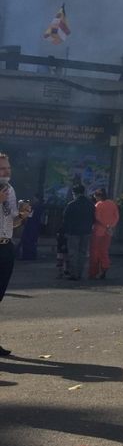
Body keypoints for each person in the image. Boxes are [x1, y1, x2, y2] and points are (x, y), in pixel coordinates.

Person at [0, 152, 33, 356]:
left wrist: (22, 215)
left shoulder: (9, 190)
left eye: (8, 169)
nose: (6, 172)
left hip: (5, 246)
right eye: (2, 169)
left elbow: (12, 221)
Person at [62, 184, 94, 281]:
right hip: (86, 231)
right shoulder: (90, 204)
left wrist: (65, 231)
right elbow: (93, 218)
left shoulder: (71, 205)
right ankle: (80, 273)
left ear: (74, 193)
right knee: (83, 253)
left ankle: (74, 273)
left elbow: (65, 219)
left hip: (73, 232)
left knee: (73, 252)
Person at [89, 188, 119, 279]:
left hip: (99, 230)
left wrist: (105, 225)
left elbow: (97, 218)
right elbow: (116, 216)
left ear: (99, 196)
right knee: (104, 251)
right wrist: (110, 226)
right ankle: (105, 267)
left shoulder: (98, 205)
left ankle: (93, 272)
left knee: (95, 251)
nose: (95, 199)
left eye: (96, 197)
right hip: (109, 231)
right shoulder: (112, 204)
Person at [18, 194, 43, 262]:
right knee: (32, 241)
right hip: (35, 226)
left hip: (30, 226)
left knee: (27, 241)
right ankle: (32, 255)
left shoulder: (34, 207)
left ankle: (26, 256)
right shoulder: (40, 206)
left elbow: (30, 216)